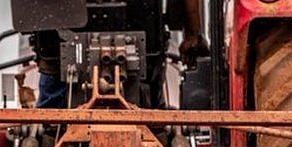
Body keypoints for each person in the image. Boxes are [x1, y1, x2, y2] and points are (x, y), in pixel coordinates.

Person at [35, 0, 209, 109]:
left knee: (48, 118)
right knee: (154, 115)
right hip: (144, 50)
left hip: (59, 51)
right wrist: (192, 36)